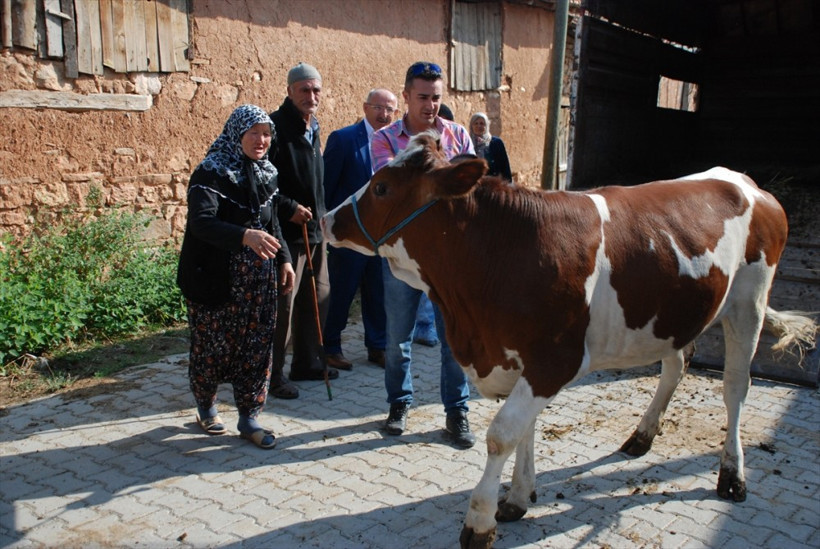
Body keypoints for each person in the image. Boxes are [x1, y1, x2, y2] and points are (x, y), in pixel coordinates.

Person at [370, 61, 477, 449]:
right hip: (402, 257)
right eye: (422, 98)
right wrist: (439, 180)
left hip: (449, 261)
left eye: (436, 98)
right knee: (398, 337)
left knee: (454, 338)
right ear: (406, 97)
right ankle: (399, 405)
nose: (430, 106)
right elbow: (392, 196)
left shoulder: (459, 134)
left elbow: (469, 195)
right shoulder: (384, 139)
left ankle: (457, 412)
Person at [177, 104, 295, 450]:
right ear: (237, 134)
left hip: (258, 284)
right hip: (215, 278)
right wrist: (245, 236)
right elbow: (202, 223)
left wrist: (285, 260)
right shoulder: (209, 173)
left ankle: (249, 417)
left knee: (256, 349)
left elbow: (273, 224)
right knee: (211, 347)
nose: (261, 140)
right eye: (254, 133)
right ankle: (207, 406)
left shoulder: (267, 173)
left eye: (266, 133)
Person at [268, 62, 337, 400]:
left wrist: (321, 214)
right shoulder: (275, 127)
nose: (312, 96)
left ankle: (307, 363)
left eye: (316, 90)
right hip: (285, 232)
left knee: (317, 295)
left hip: (315, 228)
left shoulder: (315, 126)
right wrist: (288, 206)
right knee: (285, 305)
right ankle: (272, 374)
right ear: (290, 92)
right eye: (304, 90)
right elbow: (263, 183)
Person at [322, 88, 399, 370]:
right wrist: (329, 227)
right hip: (351, 234)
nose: (385, 114)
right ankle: (331, 346)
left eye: (390, 109)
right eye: (379, 107)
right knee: (342, 290)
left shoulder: (396, 145)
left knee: (378, 291)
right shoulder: (343, 140)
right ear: (366, 108)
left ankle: (377, 346)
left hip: (382, 235)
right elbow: (327, 187)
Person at [469, 112, 513, 182]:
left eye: (482, 123)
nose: (479, 126)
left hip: (494, 185)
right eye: (476, 123)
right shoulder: (468, 143)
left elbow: (505, 166)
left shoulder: (496, 143)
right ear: (471, 126)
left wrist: (509, 185)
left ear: (487, 126)